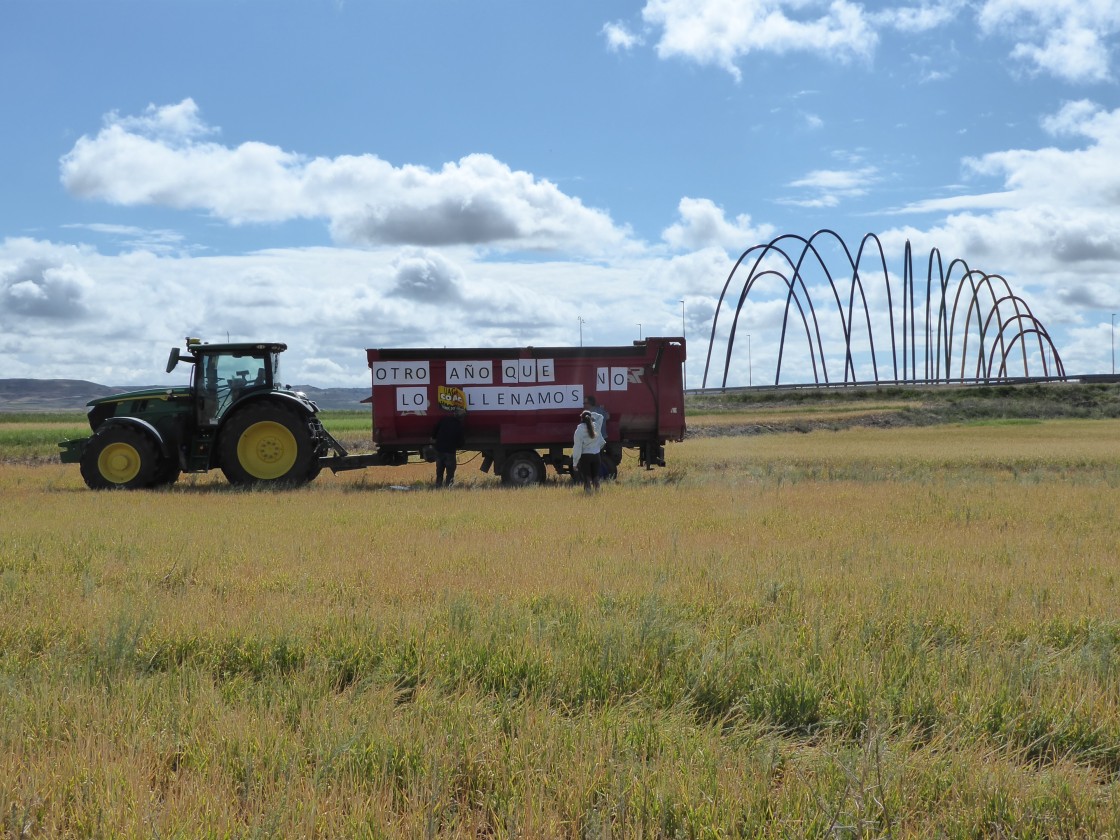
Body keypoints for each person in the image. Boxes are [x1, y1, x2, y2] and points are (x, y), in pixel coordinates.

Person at [571, 409, 605, 493]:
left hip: (585, 457)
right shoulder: (596, 426)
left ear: (581, 419)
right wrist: (590, 414)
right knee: (595, 477)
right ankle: (597, 493)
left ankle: (588, 494)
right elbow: (600, 417)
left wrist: (575, 463)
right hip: (596, 456)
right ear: (590, 418)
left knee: (587, 478)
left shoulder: (578, 431)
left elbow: (577, 447)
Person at [430, 409, 465, 487]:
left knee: (439, 469)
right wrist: (458, 446)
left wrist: (433, 437)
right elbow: (461, 442)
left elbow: (436, 428)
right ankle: (448, 486)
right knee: (450, 470)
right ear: (462, 417)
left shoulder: (445, 420)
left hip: (439, 449)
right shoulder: (459, 426)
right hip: (450, 451)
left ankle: (438, 485)